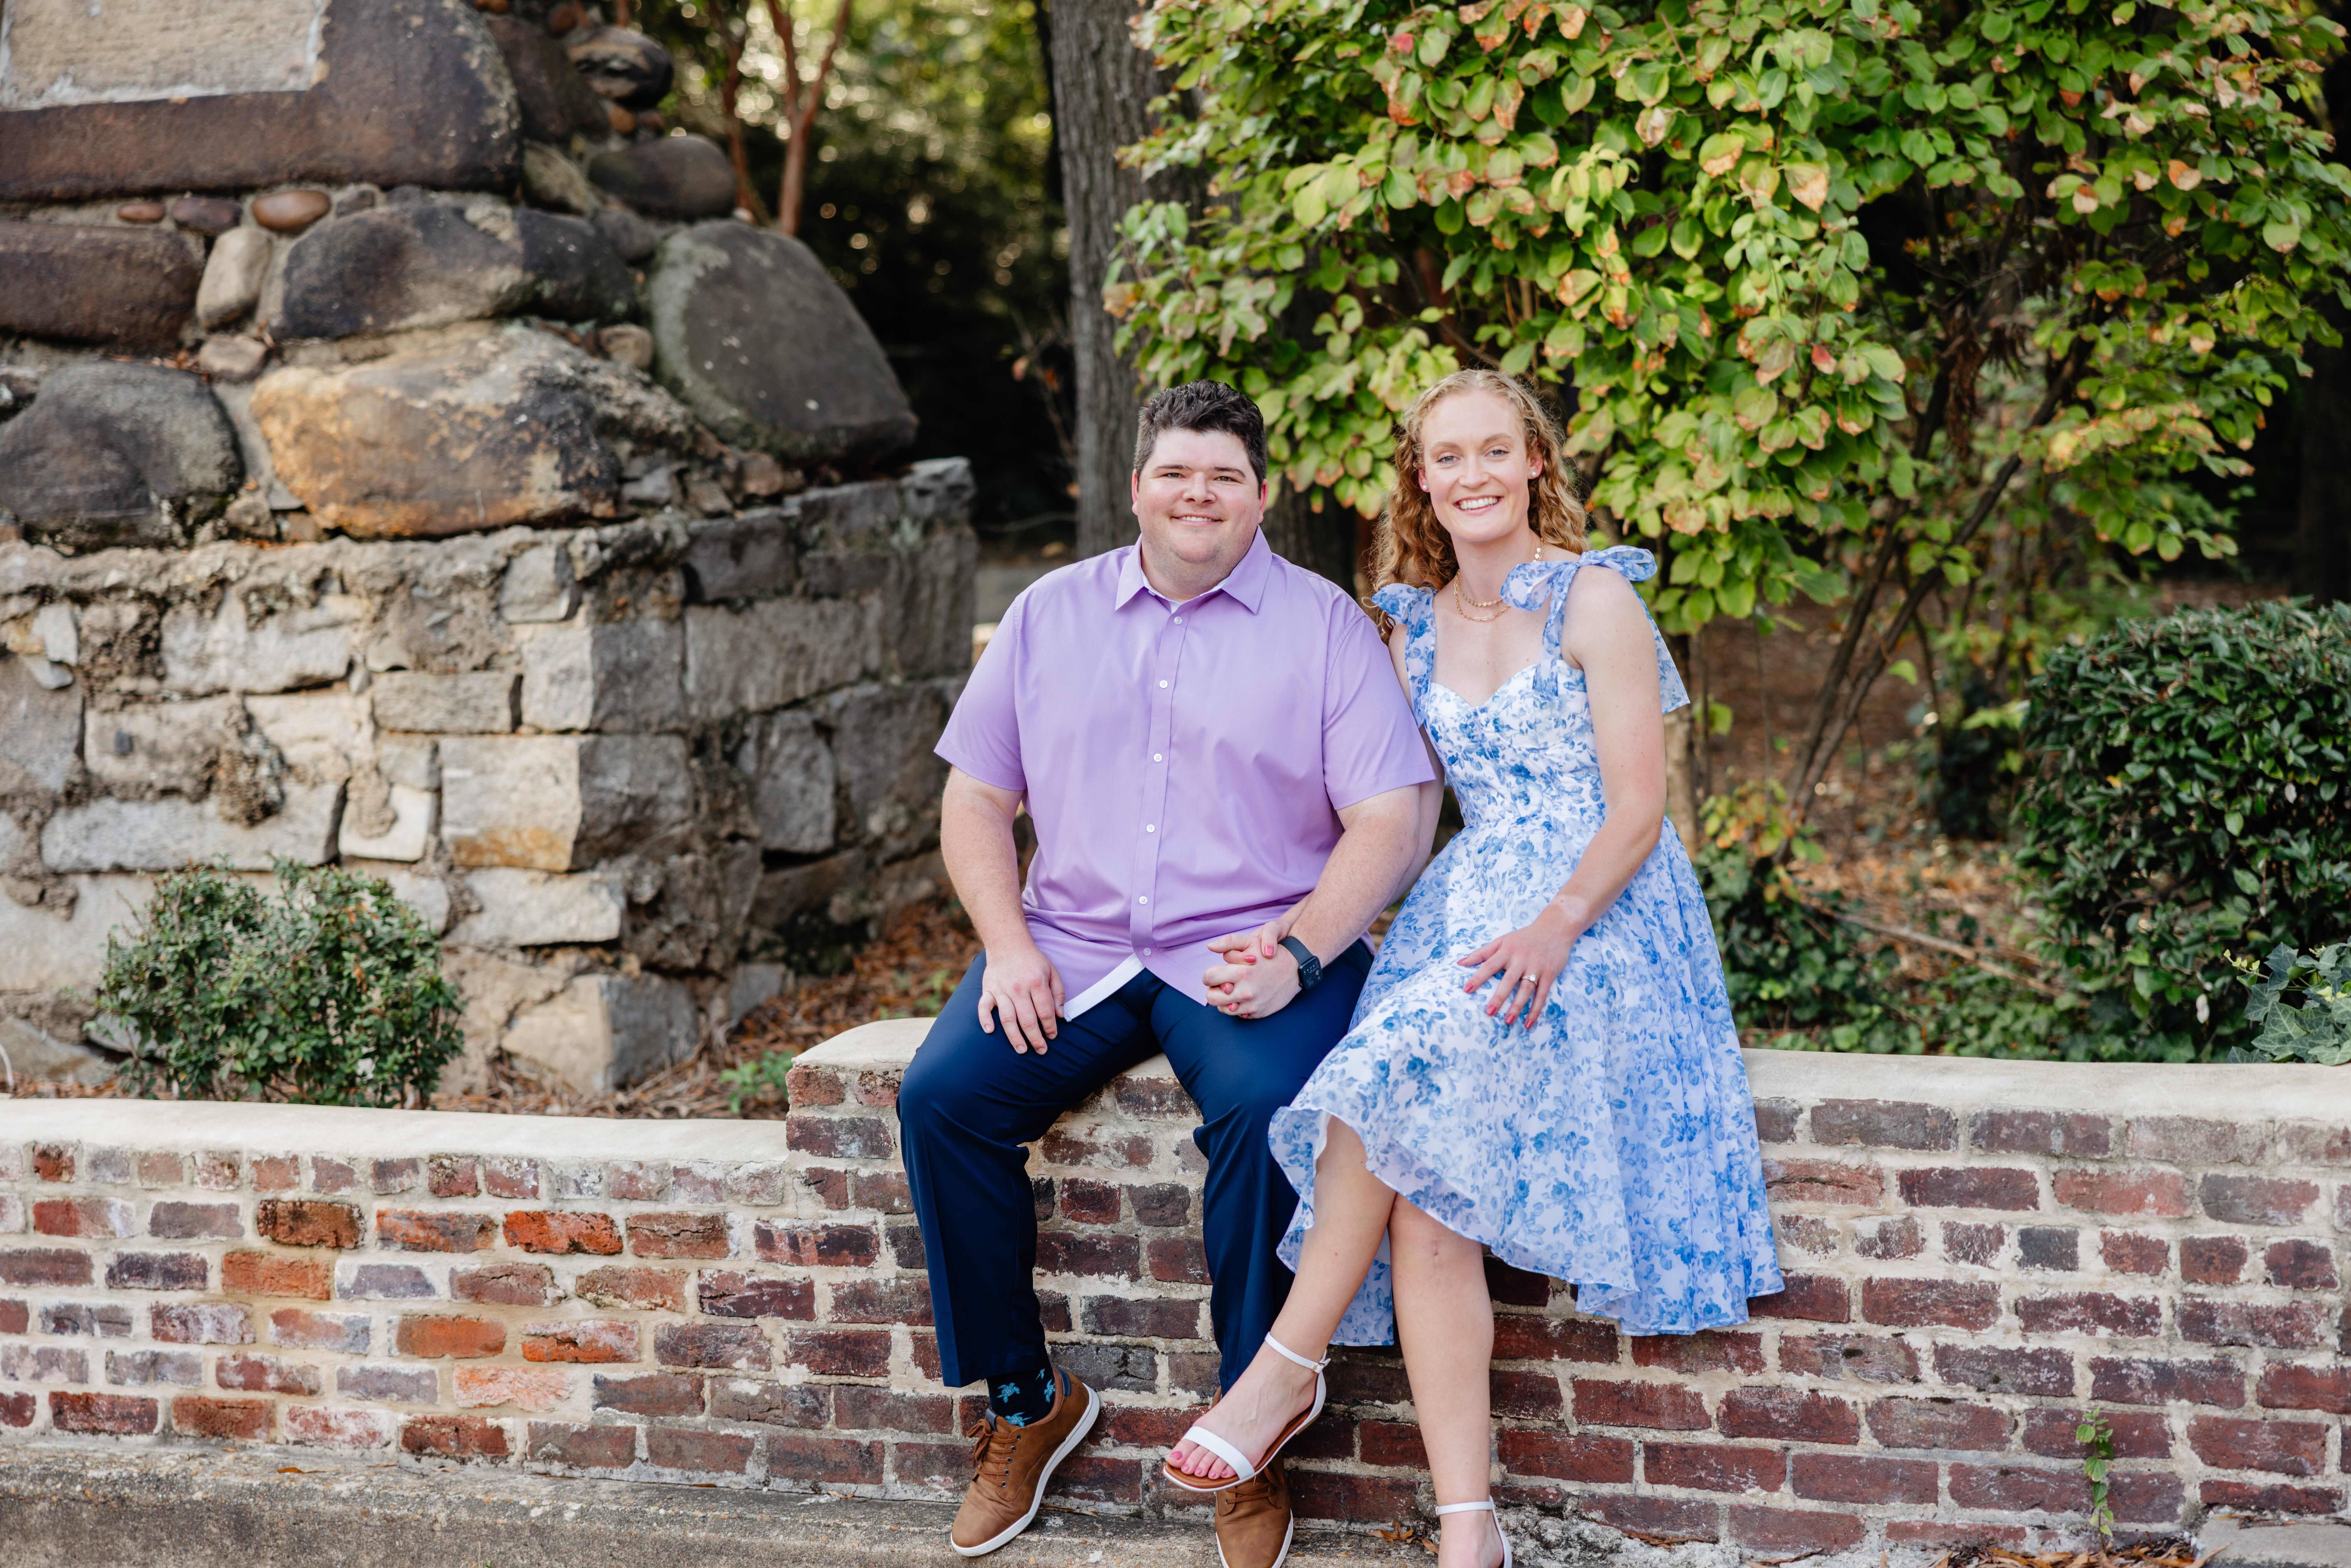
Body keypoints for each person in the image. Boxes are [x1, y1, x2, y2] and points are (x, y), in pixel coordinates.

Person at [1161, 370, 1784, 1568]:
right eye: (1447, 456)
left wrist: (1555, 926)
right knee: (1422, 1196)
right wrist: (1297, 930)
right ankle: (1469, 1531)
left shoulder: (1593, 600)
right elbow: (1396, 820)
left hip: (1601, 915)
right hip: (1467, 906)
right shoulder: (1414, 621)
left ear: (1536, 461)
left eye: (1494, 450)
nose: (1473, 474)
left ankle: (1280, 1370)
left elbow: (1641, 809)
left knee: (1387, 1072)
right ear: (1422, 478)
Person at [900, 380, 1441, 1567]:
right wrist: (1006, 943)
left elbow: (1389, 818)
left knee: (1267, 1113)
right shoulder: (1049, 614)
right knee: (940, 1100)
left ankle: (1253, 1433)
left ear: (1263, 494)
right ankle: (1023, 1401)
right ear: (1136, 484)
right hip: (1077, 946)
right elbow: (977, 799)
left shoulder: (1326, 630)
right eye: (1175, 473)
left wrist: (1302, 949)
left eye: (1224, 476)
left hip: (1250, 949)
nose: (1197, 495)